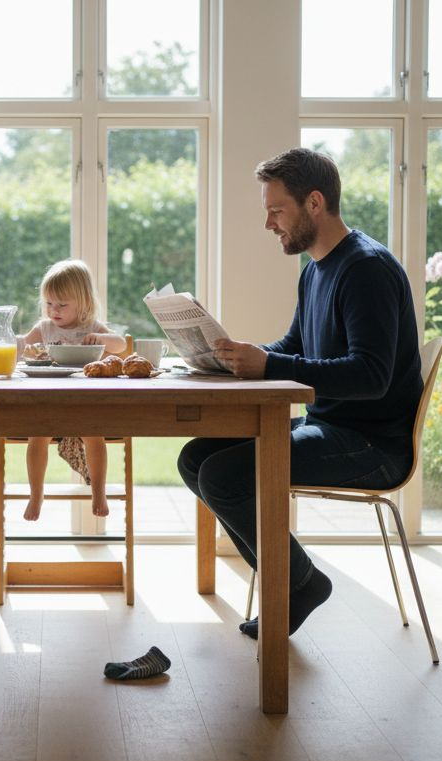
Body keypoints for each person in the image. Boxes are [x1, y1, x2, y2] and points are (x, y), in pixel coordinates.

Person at [177, 148, 422, 640]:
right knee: (195, 458)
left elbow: (370, 375)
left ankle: (298, 584)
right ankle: (293, 581)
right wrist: (237, 357)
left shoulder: (366, 269)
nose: (269, 224)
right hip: (330, 428)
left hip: (373, 445)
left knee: (224, 476)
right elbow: (294, 348)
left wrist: (269, 364)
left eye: (276, 210)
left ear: (314, 203)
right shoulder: (316, 267)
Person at [17, 259, 127, 521]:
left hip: (85, 402)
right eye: (49, 304)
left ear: (84, 302)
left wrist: (101, 340)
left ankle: (98, 492)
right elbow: (20, 347)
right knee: (37, 438)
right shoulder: (44, 328)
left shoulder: (91, 328)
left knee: (94, 436)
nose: (54, 310)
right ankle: (36, 494)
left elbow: (120, 344)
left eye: (62, 305)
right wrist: (17, 345)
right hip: (47, 401)